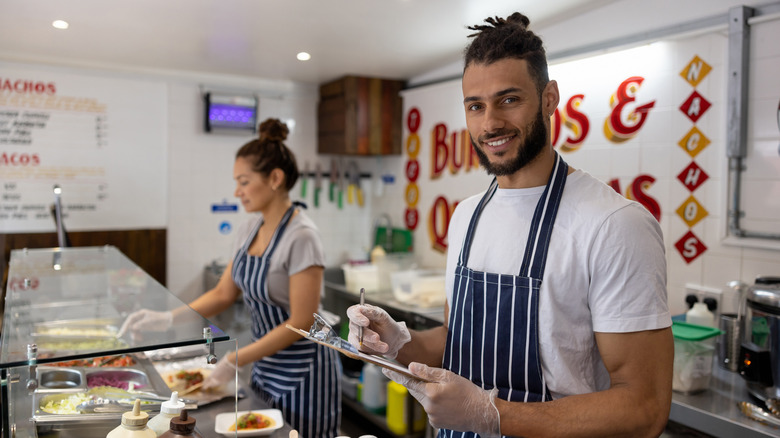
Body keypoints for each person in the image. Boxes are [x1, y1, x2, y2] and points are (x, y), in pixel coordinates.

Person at [347, 12, 673, 438]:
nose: (490, 123)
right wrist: (396, 342)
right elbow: (456, 339)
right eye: (475, 106)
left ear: (550, 98)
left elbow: (644, 407)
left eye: (509, 99)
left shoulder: (615, 225)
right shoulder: (467, 217)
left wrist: (493, 414)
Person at [122, 118, 341, 438]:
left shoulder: (302, 236)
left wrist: (234, 359)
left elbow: (303, 321)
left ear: (275, 178)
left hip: (304, 373)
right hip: (265, 366)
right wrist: (166, 318)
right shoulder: (248, 229)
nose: (237, 191)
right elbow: (224, 292)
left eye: (243, 181)